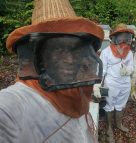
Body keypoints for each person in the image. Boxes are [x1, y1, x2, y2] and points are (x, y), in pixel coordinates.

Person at [0, 0, 104, 143]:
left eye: (74, 49)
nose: (70, 60)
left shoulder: (77, 88)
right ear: (38, 53)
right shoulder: (13, 106)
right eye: (58, 49)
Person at [96, 23, 134, 142]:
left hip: (125, 83)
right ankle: (109, 129)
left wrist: (128, 70)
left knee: (121, 104)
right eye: (121, 36)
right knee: (109, 105)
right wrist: (97, 85)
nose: (123, 40)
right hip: (111, 84)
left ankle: (118, 124)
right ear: (114, 37)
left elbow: (132, 67)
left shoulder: (130, 52)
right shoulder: (106, 52)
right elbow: (101, 70)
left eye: (126, 37)